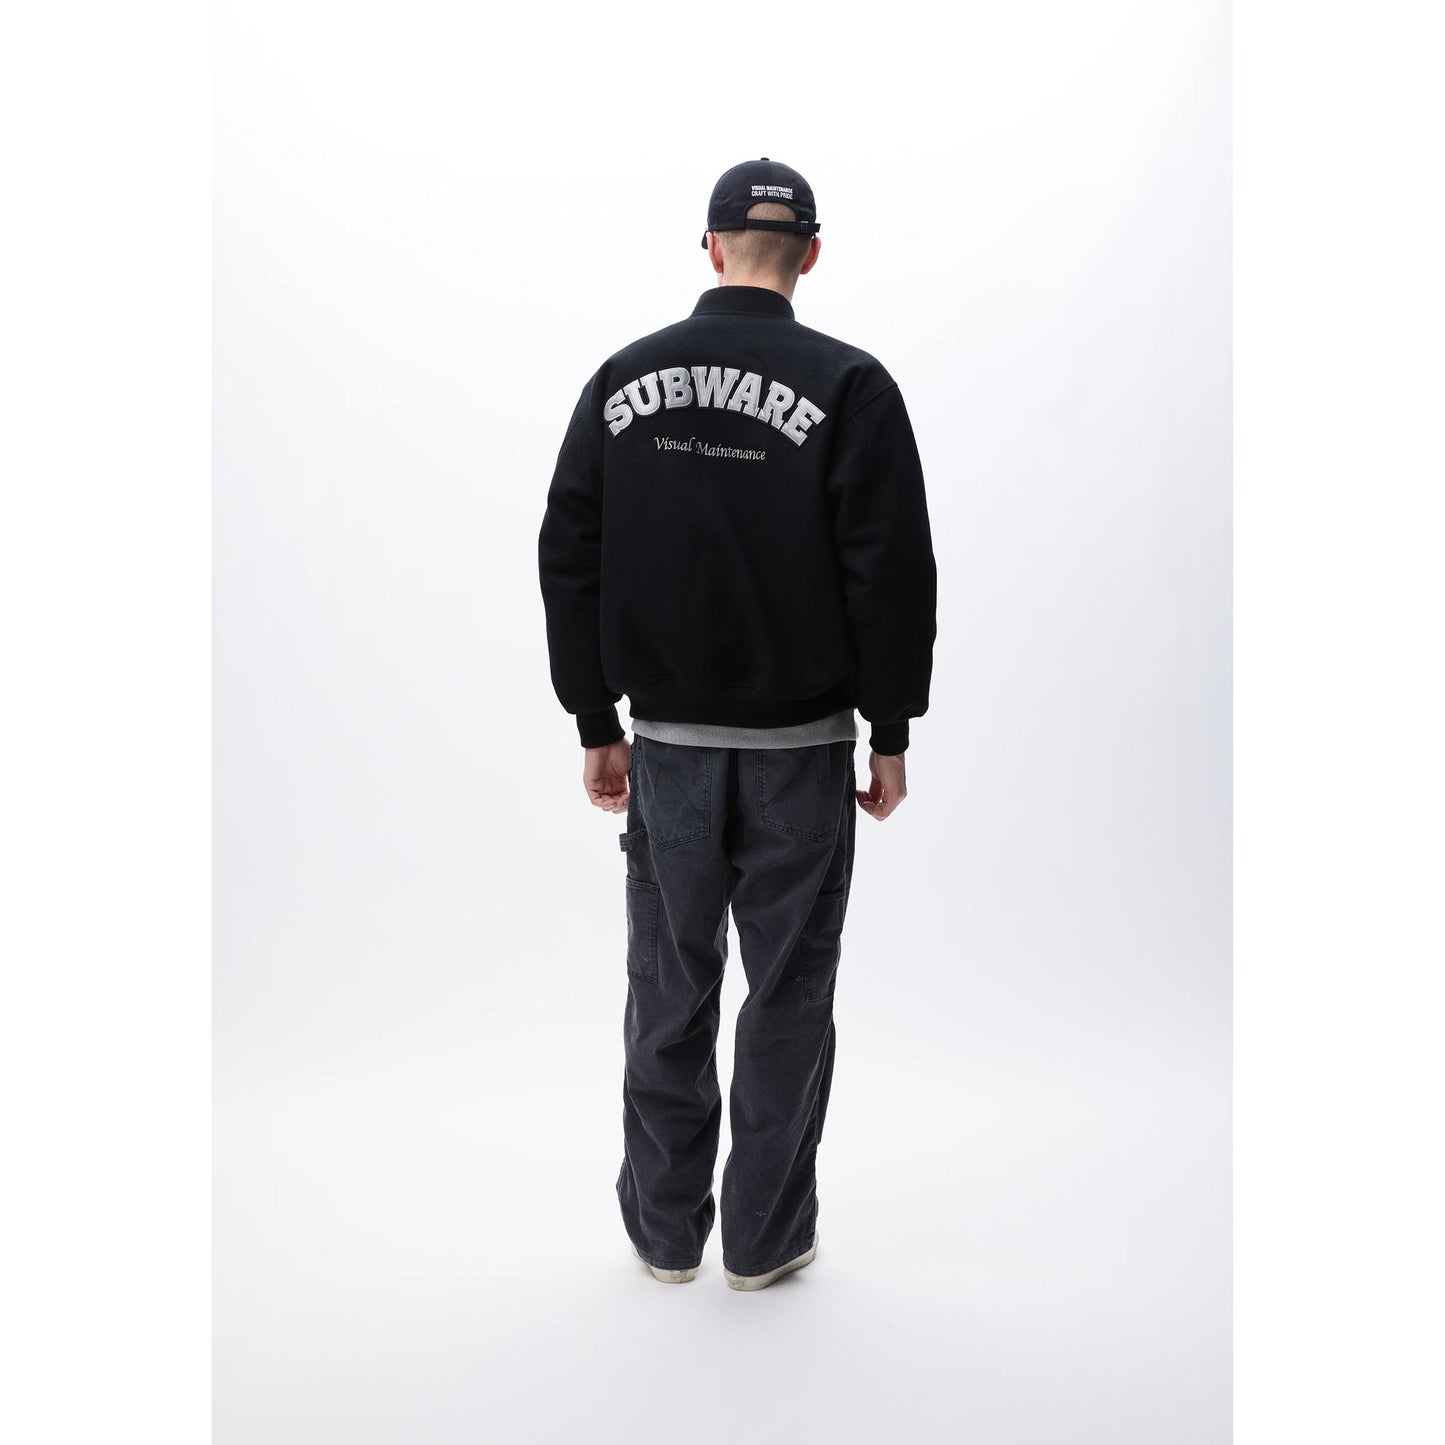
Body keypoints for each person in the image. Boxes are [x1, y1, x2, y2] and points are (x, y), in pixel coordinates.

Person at [537, 158, 937, 1291]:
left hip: (665, 749)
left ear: (709, 247)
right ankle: (763, 1242)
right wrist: (890, 729)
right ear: (810, 254)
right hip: (802, 754)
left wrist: (594, 718)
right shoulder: (850, 385)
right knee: (788, 995)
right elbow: (891, 572)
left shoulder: (625, 376)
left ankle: (665, 1236)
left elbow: (568, 550)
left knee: (669, 988)